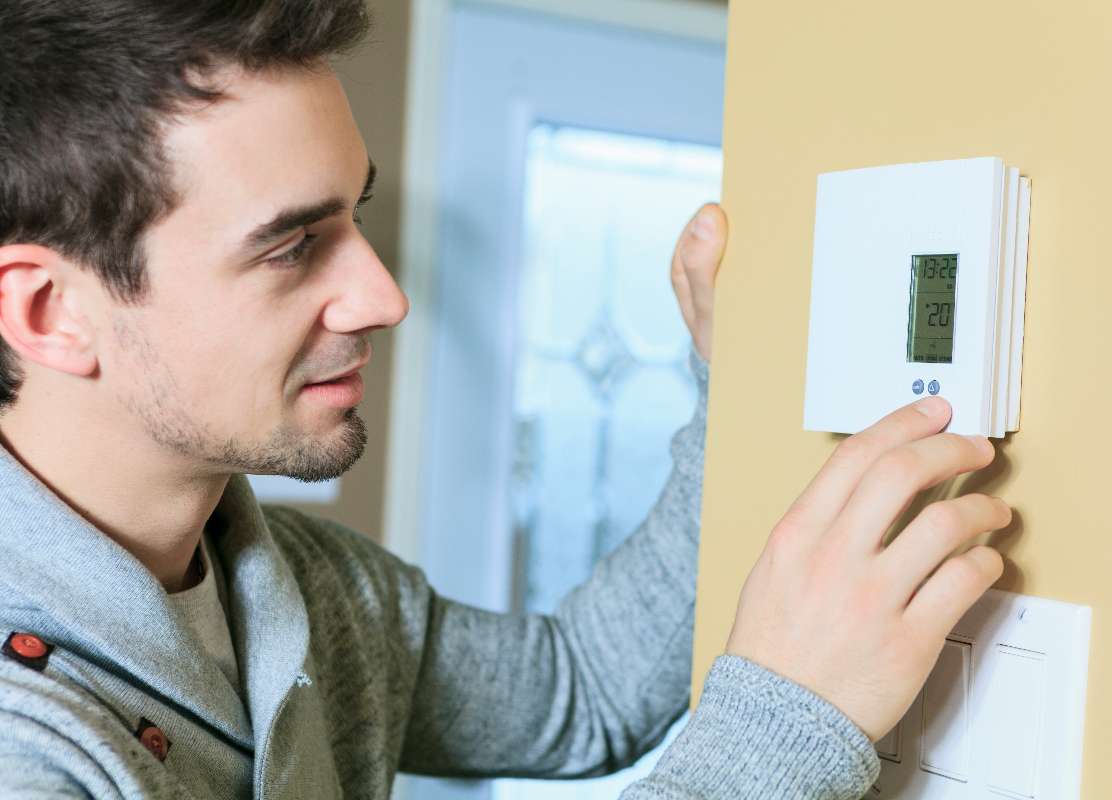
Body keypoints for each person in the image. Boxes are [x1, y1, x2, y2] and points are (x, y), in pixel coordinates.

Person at [0, 2, 1011, 798]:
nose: (385, 295)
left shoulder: (313, 592)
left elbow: (581, 690)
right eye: (292, 245)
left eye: (357, 216)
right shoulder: (26, 748)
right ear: (50, 310)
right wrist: (784, 725)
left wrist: (725, 386)